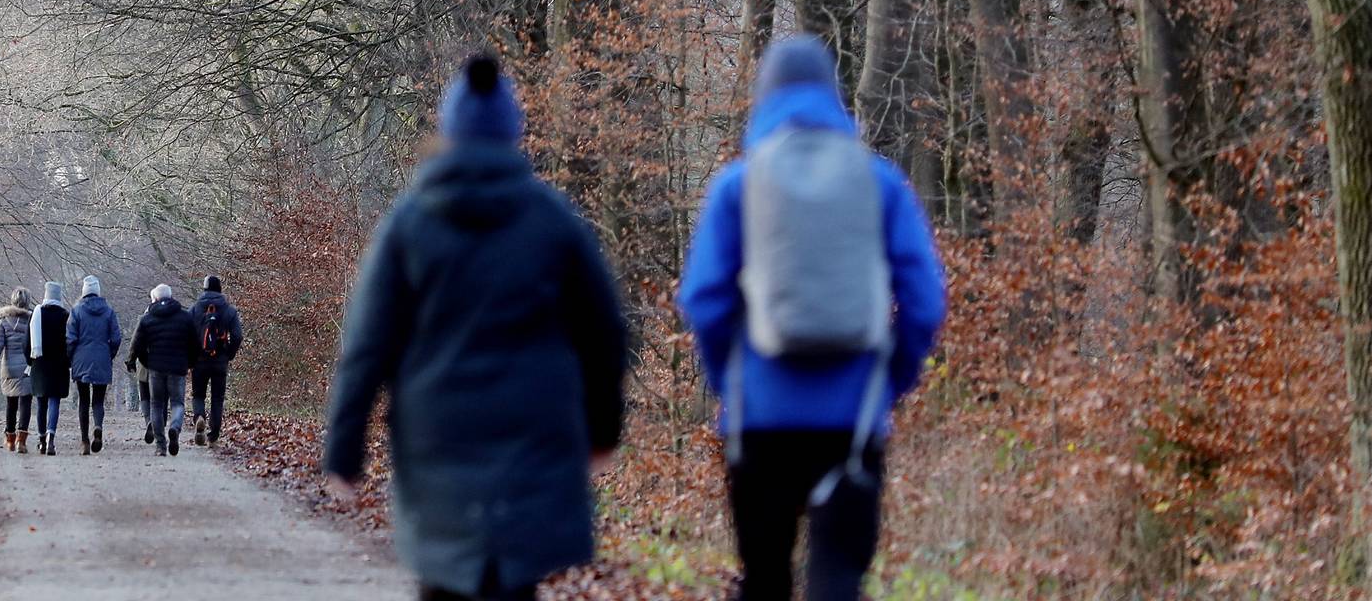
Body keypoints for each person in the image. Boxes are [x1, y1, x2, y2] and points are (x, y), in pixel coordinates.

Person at [323, 54, 629, 601]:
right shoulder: (551, 219)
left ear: (449, 131)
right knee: (514, 579)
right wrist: (603, 429)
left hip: (437, 432)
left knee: (445, 576)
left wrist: (345, 452)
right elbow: (604, 333)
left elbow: (367, 346)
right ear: (513, 133)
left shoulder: (410, 222)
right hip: (533, 430)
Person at [677, 35, 945, 601]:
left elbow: (703, 296)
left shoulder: (737, 187)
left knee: (766, 580)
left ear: (764, 98)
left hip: (760, 419)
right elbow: (923, 298)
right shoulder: (881, 183)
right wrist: (891, 380)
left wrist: (731, 380)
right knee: (838, 579)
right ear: (834, 97)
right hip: (853, 420)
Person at [124, 282, 200, 455]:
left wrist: (140, 361)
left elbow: (137, 345)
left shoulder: (148, 318)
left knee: (156, 405)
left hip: (156, 368)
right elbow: (195, 344)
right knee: (178, 403)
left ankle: (160, 445)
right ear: (171, 296)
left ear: (155, 298)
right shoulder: (185, 317)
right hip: (178, 368)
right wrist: (190, 363)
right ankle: (174, 428)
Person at [67, 275, 123, 453]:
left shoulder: (76, 311)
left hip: (81, 359)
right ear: (98, 291)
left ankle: (84, 441)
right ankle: (97, 426)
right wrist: (109, 355)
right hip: (102, 358)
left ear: (83, 292)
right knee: (98, 401)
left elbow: (70, 339)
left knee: (84, 401)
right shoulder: (108, 311)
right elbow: (116, 338)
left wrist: (71, 359)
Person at [190, 273, 245, 446]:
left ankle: (199, 416)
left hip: (198, 359)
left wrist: (190, 355)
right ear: (220, 289)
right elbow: (237, 335)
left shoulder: (195, 308)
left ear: (204, 289)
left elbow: (187, 334)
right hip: (220, 359)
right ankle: (213, 436)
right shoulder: (229, 310)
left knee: (198, 394)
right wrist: (229, 353)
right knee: (217, 398)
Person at [0, 286, 37, 453]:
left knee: (11, 403)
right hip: (27, 368)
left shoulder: (3, 322)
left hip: (8, 369)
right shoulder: (32, 320)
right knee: (26, 403)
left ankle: (9, 440)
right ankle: (22, 440)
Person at [29, 282, 74, 455]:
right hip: (59, 364)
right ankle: (51, 437)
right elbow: (70, 341)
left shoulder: (37, 314)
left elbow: (28, 341)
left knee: (41, 402)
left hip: (39, 364)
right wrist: (69, 361)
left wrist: (29, 360)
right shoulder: (65, 315)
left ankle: (41, 439)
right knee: (54, 401)